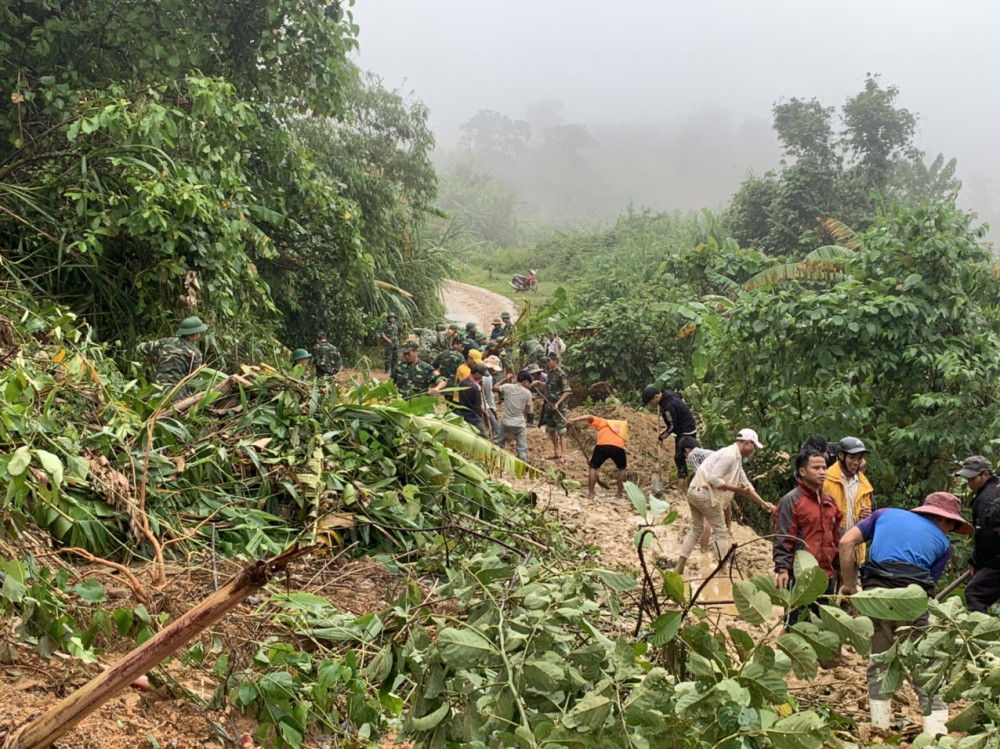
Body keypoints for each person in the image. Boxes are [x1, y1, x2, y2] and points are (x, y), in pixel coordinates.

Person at [839, 491, 968, 734]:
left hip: (875, 597)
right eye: (951, 524)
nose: (950, 529)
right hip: (912, 600)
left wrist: (849, 585)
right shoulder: (944, 545)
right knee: (927, 666)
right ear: (944, 520)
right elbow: (928, 587)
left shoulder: (883, 514)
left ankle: (879, 727)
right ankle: (937, 734)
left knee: (879, 661)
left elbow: (846, 542)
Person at [676, 429, 773, 575]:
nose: (754, 450)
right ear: (747, 443)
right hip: (705, 494)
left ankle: (679, 567)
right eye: (754, 446)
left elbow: (745, 482)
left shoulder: (735, 456)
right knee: (721, 532)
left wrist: (762, 503)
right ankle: (723, 572)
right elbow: (713, 480)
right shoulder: (730, 456)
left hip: (694, 491)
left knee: (696, 529)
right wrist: (737, 489)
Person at [773, 448, 842, 602]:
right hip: (800, 576)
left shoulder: (830, 502)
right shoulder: (791, 501)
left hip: (826, 575)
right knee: (796, 624)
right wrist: (782, 569)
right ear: (802, 471)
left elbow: (836, 537)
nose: (822, 472)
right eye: (816, 468)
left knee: (823, 623)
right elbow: (783, 537)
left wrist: (840, 566)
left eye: (824, 468)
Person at [955, 455, 1000, 613]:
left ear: (986, 475)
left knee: (975, 593)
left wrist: (976, 561)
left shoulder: (986, 499)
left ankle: (978, 635)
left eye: (972, 479)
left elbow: (985, 536)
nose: (969, 484)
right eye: (967, 479)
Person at [825, 437, 875, 575]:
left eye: (859, 458)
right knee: (828, 591)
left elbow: (872, 512)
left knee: (849, 592)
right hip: (830, 546)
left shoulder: (864, 484)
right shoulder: (826, 480)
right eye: (852, 457)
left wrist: (868, 515)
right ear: (841, 455)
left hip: (854, 548)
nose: (856, 462)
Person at [641, 384, 698, 491]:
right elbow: (680, 396)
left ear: (656, 397)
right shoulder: (668, 394)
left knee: (679, 458)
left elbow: (672, 426)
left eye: (651, 402)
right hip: (688, 427)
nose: (651, 405)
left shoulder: (668, 407)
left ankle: (682, 489)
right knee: (683, 458)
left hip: (686, 432)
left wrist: (661, 437)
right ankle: (685, 486)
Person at [138, 315, 208, 397]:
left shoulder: (164, 342)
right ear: (195, 334)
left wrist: (155, 359)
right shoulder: (195, 353)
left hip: (158, 392)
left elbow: (140, 348)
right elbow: (194, 380)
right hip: (178, 394)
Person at [567, 414, 627, 499]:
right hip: (618, 446)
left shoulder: (603, 421)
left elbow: (589, 416)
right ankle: (619, 494)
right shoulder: (621, 426)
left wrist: (573, 419)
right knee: (622, 468)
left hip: (602, 445)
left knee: (593, 467)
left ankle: (591, 494)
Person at [494, 371, 533, 461]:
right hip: (520, 424)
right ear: (525, 382)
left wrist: (504, 379)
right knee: (521, 448)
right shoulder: (528, 393)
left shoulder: (507, 386)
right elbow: (527, 411)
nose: (529, 385)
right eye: (529, 383)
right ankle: (523, 467)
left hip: (507, 422)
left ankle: (496, 462)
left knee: (499, 444)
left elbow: (494, 388)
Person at [540, 353, 571, 461]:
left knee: (561, 430)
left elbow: (567, 391)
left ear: (555, 361)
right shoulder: (550, 373)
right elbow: (547, 386)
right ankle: (556, 452)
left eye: (549, 361)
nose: (547, 363)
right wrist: (537, 383)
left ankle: (563, 454)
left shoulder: (562, 374)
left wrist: (558, 403)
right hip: (549, 405)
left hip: (559, 407)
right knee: (551, 429)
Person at [456, 364, 488, 435]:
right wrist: (483, 413)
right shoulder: (475, 388)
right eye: (481, 375)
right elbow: (477, 406)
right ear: (477, 373)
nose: (481, 377)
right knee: (483, 436)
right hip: (473, 416)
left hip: (463, 414)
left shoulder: (462, 382)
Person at [481, 356, 503, 436]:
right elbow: (488, 394)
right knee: (495, 427)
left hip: (478, 402)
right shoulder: (487, 377)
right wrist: (493, 408)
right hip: (483, 403)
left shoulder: (481, 372)